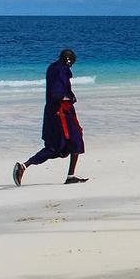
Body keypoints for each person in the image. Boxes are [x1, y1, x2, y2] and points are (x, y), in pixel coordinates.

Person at [13, 48, 87, 185]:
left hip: (54, 112)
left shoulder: (53, 68)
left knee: (62, 147)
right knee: (69, 143)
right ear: (68, 60)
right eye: (72, 62)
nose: (72, 66)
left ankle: (69, 176)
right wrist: (68, 98)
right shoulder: (61, 70)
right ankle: (24, 166)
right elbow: (57, 92)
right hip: (61, 112)